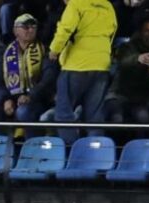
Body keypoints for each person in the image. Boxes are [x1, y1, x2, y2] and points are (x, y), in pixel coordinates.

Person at [49, 0, 117, 144]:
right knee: (94, 116)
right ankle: (95, 156)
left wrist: (54, 49)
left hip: (77, 65)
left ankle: (72, 152)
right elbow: (113, 31)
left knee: (63, 113)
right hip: (101, 63)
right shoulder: (107, 5)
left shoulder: (76, 4)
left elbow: (65, 29)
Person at [0, 13, 58, 132]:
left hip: (37, 99)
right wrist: (5, 99)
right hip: (11, 98)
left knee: (23, 111)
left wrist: (30, 96)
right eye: (25, 27)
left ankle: (31, 145)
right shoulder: (5, 51)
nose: (30, 30)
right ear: (15, 31)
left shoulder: (45, 49)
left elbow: (49, 79)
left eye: (33, 27)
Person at [104, 19, 149, 125]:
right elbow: (123, 61)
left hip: (139, 99)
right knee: (117, 118)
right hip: (119, 94)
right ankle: (111, 142)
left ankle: (142, 142)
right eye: (147, 31)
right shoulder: (128, 46)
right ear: (141, 32)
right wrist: (138, 59)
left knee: (144, 118)